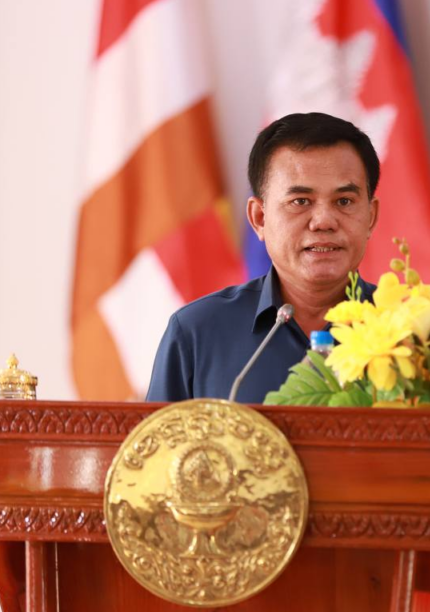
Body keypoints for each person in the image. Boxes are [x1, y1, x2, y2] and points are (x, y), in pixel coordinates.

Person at [145, 112, 381, 403]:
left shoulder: (414, 336)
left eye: (344, 201)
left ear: (371, 217)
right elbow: (159, 434)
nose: (323, 221)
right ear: (259, 218)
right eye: (300, 201)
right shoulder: (196, 333)